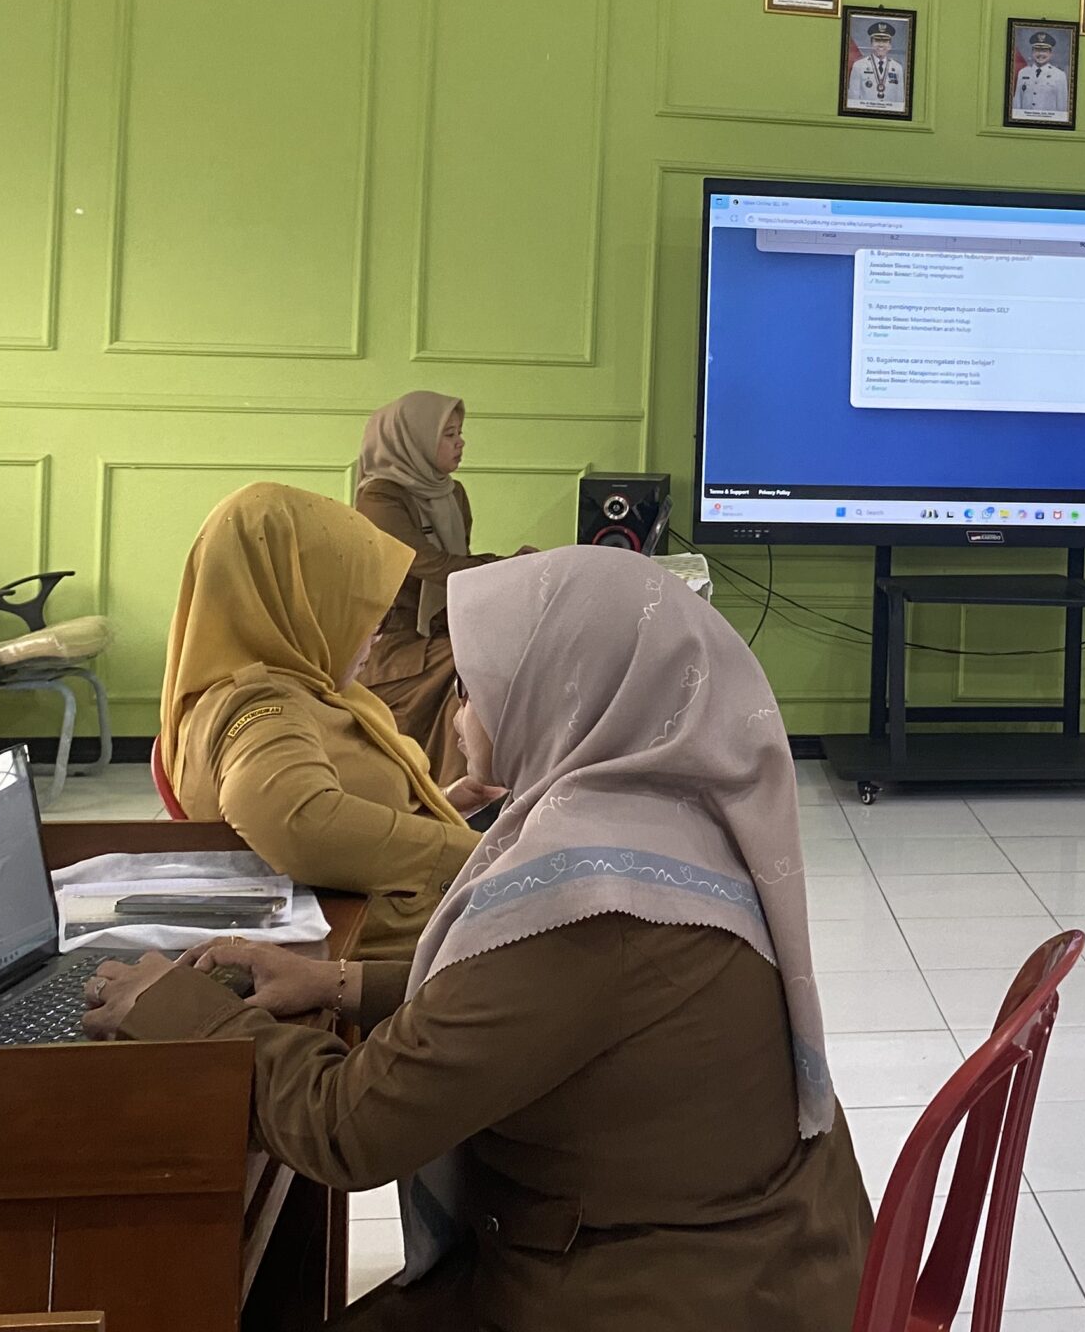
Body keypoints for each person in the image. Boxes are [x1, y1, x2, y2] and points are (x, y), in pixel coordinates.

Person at [90, 546, 872, 1332]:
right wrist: (340, 984)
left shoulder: (591, 896)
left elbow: (348, 1129)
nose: (459, 716)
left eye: (471, 688)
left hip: (665, 1294)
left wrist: (181, 1007)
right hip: (738, 1257)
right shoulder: (668, 816)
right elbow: (538, 1006)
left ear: (559, 689)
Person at [157, 483, 490, 960]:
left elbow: (327, 795)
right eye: (365, 611)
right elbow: (297, 822)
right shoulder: (262, 706)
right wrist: (479, 856)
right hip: (388, 950)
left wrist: (443, 802)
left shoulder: (301, 688)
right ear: (304, 603)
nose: (375, 634)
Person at [355, 391, 503, 783]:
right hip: (392, 643)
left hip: (442, 631)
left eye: (460, 433)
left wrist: (508, 567)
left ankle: (467, 790)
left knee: (490, 660)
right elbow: (429, 565)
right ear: (413, 440)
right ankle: (462, 790)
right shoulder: (380, 496)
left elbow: (457, 571)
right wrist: (508, 568)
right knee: (475, 665)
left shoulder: (453, 493)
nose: (460, 443)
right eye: (449, 434)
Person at [845, 19, 906, 111]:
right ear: (871, 44)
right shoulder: (859, 65)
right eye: (877, 40)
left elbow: (900, 99)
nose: (881, 45)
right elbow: (853, 97)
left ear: (890, 45)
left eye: (885, 41)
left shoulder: (897, 68)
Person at [1011, 30, 1071, 121]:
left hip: (1049, 123)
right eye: (1037, 50)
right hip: (1025, 122)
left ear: (1050, 54)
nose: (1040, 54)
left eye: (1044, 51)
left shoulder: (1059, 75)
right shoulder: (1023, 73)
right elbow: (1017, 104)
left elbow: (1062, 107)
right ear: (1032, 52)